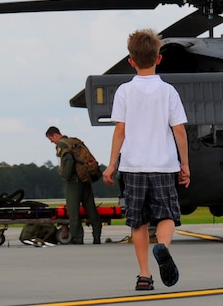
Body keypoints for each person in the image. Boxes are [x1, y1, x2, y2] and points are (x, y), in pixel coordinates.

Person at [102, 29, 190, 291]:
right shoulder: (169, 91)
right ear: (158, 58)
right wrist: (184, 164)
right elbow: (179, 130)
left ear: (131, 60)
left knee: (138, 222)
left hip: (133, 166)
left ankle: (143, 275)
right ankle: (162, 246)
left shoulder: (124, 91)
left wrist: (111, 164)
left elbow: (120, 129)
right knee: (168, 216)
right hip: (163, 165)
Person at [45, 126, 102, 245]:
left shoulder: (62, 144)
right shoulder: (74, 141)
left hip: (74, 183)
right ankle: (97, 237)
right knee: (92, 211)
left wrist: (65, 175)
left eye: (51, 139)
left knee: (74, 213)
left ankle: (77, 239)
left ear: (55, 135)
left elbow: (69, 161)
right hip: (85, 179)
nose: (52, 142)